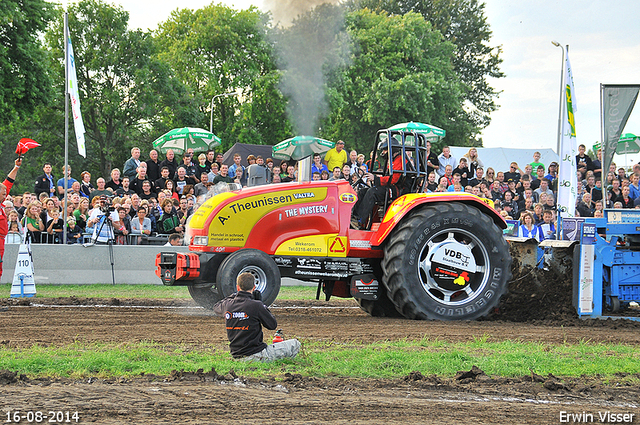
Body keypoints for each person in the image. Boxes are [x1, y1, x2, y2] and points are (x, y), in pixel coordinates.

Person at [213, 272, 301, 361]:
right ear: (254, 287)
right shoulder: (256, 305)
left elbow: (216, 307)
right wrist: (262, 304)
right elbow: (272, 325)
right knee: (295, 344)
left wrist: (236, 296)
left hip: (236, 356)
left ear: (237, 287)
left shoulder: (228, 305)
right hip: (256, 354)